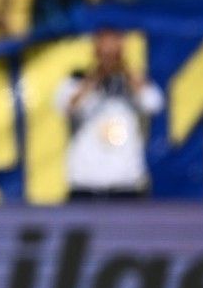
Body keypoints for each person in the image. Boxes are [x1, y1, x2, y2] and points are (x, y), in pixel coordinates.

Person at [55, 27, 164, 202]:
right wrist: (97, 75)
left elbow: (154, 103)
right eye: (104, 50)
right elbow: (66, 107)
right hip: (85, 186)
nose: (108, 57)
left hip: (127, 186)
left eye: (114, 51)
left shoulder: (132, 84)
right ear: (95, 50)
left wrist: (125, 69)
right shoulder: (76, 81)